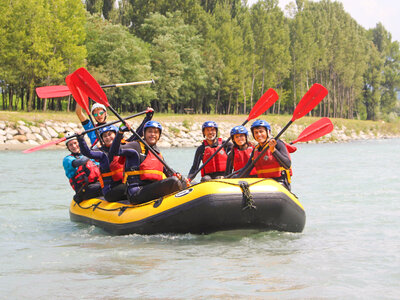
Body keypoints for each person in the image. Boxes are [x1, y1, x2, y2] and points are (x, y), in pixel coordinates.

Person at [112, 121, 184, 204]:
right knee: (173, 182)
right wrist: (120, 132)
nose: (153, 134)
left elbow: (167, 170)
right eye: (150, 131)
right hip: (136, 192)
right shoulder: (135, 146)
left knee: (180, 181)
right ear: (144, 133)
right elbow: (114, 151)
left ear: (159, 136)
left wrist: (179, 176)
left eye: (156, 132)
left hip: (151, 189)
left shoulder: (157, 153)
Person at [238, 120, 294, 191]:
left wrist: (273, 150)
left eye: (261, 131)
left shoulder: (278, 144)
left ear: (268, 132)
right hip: (264, 184)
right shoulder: (256, 149)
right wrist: (232, 180)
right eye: (256, 133)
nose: (258, 135)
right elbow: (246, 169)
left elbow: (287, 164)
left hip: (280, 184)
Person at [77, 125, 128, 202]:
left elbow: (138, 135)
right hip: (110, 191)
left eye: (110, 134)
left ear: (116, 135)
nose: (107, 137)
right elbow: (87, 153)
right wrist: (81, 139)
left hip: (122, 184)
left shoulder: (124, 147)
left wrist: (148, 117)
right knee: (129, 186)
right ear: (102, 139)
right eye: (104, 136)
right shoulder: (102, 153)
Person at [75, 103, 154, 146]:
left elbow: (124, 138)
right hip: (99, 152)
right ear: (93, 116)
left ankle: (148, 117)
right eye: (95, 115)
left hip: (114, 150)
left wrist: (126, 125)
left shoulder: (113, 127)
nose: (99, 116)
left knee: (135, 138)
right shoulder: (91, 127)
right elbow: (78, 112)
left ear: (105, 113)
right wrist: (80, 93)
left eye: (101, 113)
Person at [62, 132, 102, 203]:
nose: (74, 146)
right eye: (70, 145)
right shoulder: (67, 159)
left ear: (79, 143)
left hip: (97, 183)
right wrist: (93, 150)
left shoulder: (89, 155)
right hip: (84, 190)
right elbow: (80, 162)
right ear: (68, 148)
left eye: (75, 143)